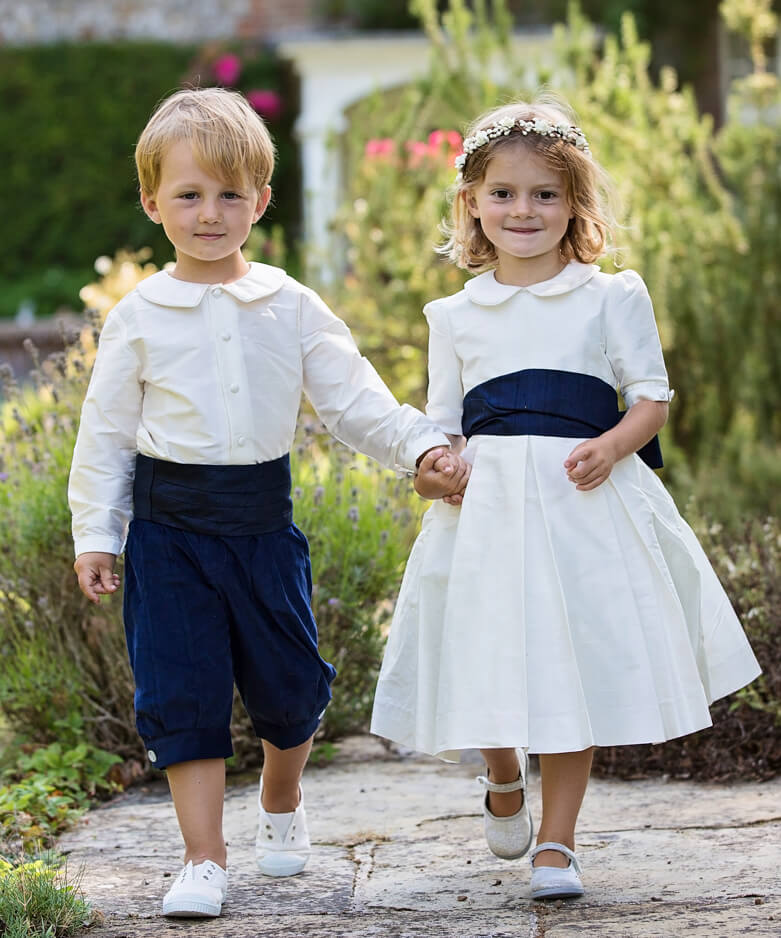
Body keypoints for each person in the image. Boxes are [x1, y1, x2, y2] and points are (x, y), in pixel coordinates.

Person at [68, 87, 469, 920]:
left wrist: (424, 446)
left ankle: (281, 805)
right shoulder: (137, 317)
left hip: (260, 525)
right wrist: (96, 534)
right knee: (182, 693)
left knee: (292, 691)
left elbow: (356, 403)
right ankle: (203, 860)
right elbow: (104, 434)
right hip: (167, 531)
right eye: (188, 195)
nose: (209, 214)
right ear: (152, 203)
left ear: (261, 200)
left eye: (228, 195)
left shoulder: (290, 306)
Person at [370, 96, 761, 901]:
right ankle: (502, 773)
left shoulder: (610, 296)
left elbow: (649, 400)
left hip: (580, 503)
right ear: (472, 202)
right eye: (504, 193)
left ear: (574, 203)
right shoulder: (454, 315)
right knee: (481, 651)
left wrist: (613, 447)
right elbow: (440, 426)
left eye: (545, 194)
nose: (524, 210)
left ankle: (557, 841)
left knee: (569, 667)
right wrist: (430, 471)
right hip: (484, 514)